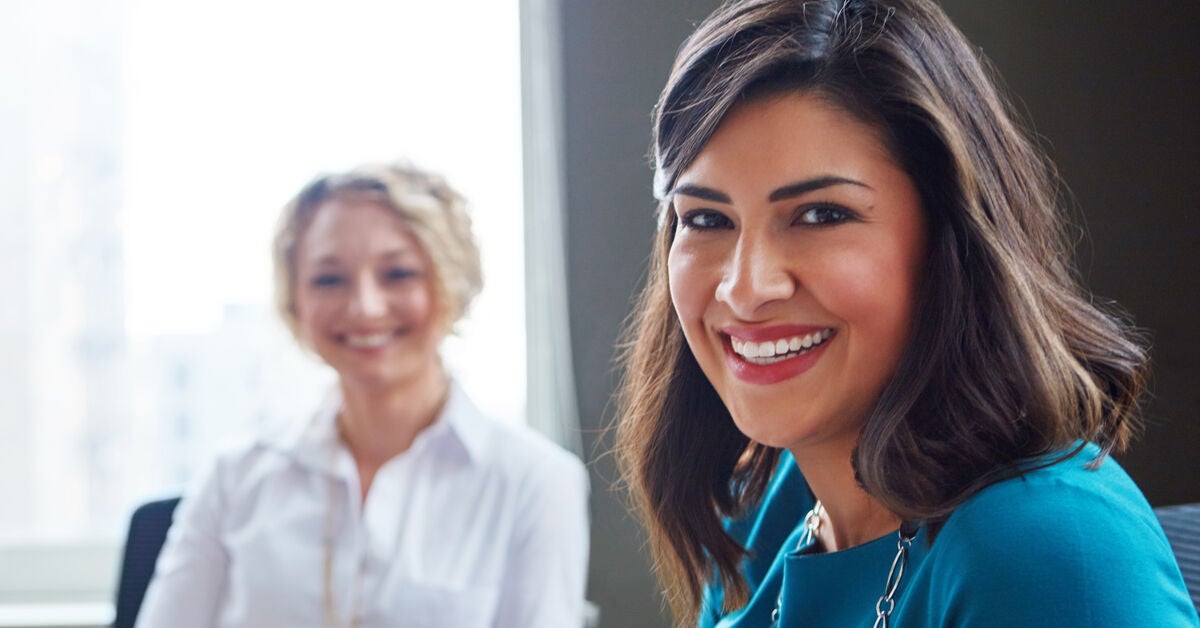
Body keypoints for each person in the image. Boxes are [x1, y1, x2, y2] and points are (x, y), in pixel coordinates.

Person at [615, 0, 1199, 626]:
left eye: (821, 215)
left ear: (948, 238)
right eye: (706, 219)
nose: (746, 288)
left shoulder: (1046, 550)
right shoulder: (763, 510)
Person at [137, 162, 590, 628]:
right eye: (329, 280)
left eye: (398, 273)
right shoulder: (233, 479)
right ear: (295, 300)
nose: (365, 307)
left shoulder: (536, 482)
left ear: (454, 283)